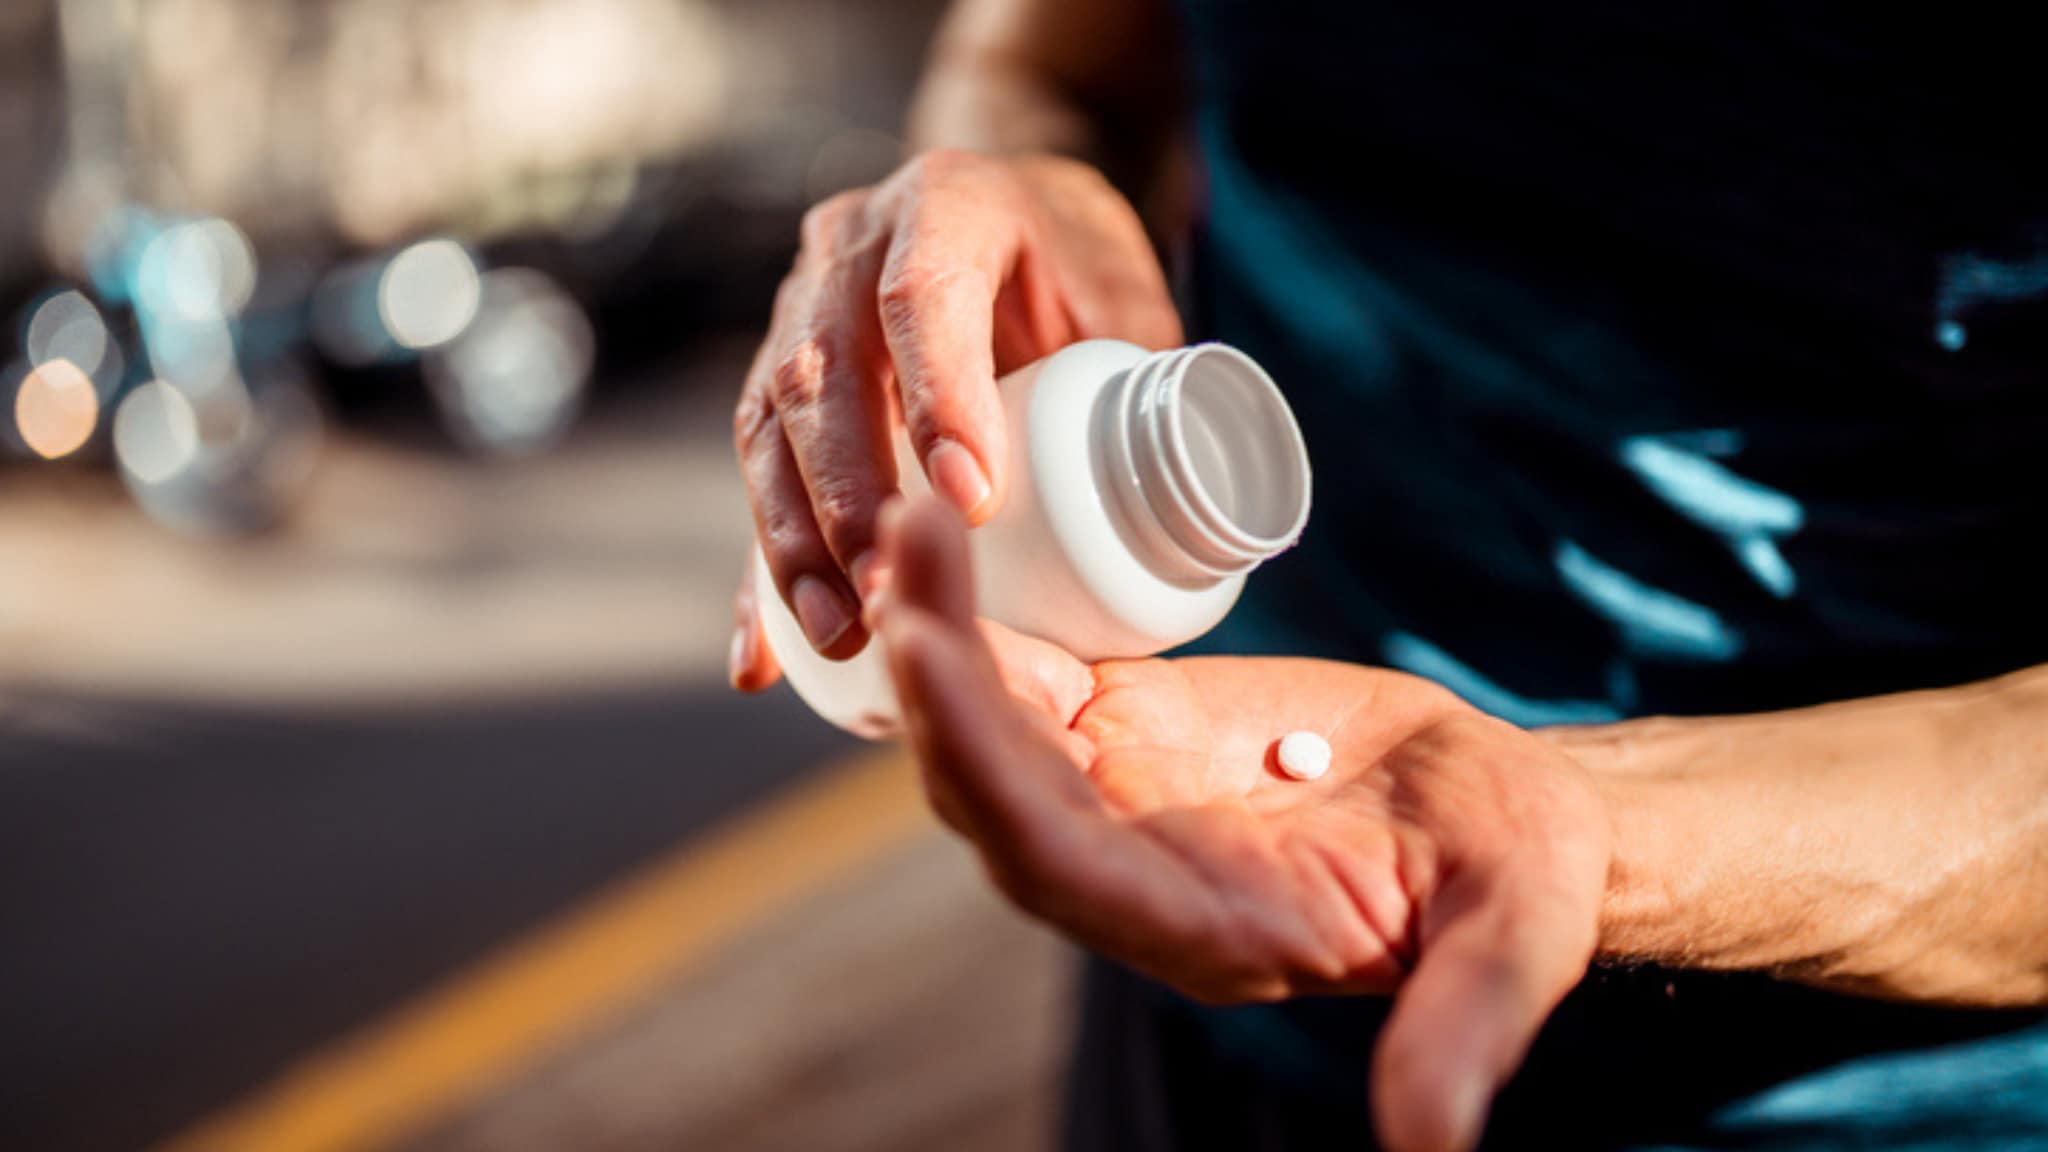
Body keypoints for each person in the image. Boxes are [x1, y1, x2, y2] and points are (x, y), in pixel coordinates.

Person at [730, 1, 2048, 1148]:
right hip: (1208, 885)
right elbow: (1041, 54)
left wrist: (1599, 831)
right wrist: (1019, 177)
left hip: (1860, 1090)